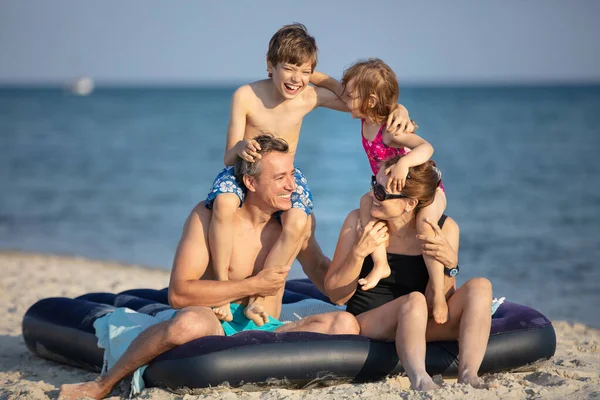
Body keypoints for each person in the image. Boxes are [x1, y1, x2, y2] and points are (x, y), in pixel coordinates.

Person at [58, 135, 360, 400]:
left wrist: (359, 266)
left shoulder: (292, 224)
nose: (292, 186)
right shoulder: (206, 217)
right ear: (251, 182)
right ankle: (103, 384)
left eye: (292, 174)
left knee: (344, 324)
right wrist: (254, 286)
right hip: (212, 321)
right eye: (281, 177)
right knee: (189, 323)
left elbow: (321, 270)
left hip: (268, 329)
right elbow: (178, 294)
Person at [207, 25, 413, 326]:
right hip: (243, 169)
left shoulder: (309, 96)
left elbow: (359, 101)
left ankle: (258, 297)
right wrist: (240, 147)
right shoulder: (246, 96)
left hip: (285, 173)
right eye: (288, 69)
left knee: (299, 224)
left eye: (304, 71)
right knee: (224, 203)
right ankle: (222, 289)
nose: (296, 79)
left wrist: (400, 108)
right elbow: (227, 155)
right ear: (269, 65)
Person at [324, 155, 493, 391]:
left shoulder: (444, 228)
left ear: (409, 203)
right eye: (374, 184)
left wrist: (449, 266)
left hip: (421, 321)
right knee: (414, 301)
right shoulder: (357, 222)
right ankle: (420, 379)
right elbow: (336, 295)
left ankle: (468, 374)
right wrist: (358, 254)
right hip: (373, 320)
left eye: (382, 193)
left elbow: (439, 304)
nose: (372, 195)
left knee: (480, 286)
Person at [311, 59, 450, 324]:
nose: (344, 99)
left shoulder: (390, 131)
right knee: (366, 204)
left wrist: (405, 164)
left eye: (351, 96)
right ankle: (381, 264)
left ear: (371, 100)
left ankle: (438, 291)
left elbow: (426, 148)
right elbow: (333, 86)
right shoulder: (365, 117)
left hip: (426, 192)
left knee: (426, 223)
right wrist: (305, 73)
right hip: (392, 193)